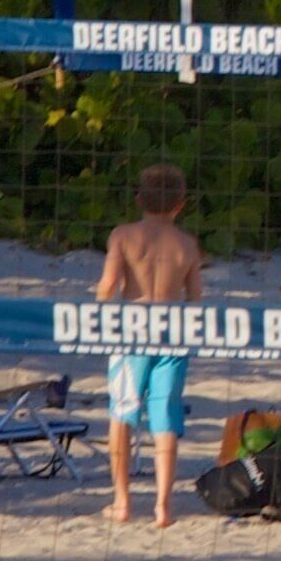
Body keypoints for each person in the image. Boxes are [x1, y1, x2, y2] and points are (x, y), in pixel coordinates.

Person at [97, 164, 205, 530]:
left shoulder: (124, 236)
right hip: (172, 332)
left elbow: (108, 286)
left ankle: (122, 499)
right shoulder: (188, 244)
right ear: (181, 204)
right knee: (166, 416)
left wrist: (102, 309)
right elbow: (195, 299)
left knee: (123, 413)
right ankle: (163, 504)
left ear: (139, 199)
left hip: (133, 330)